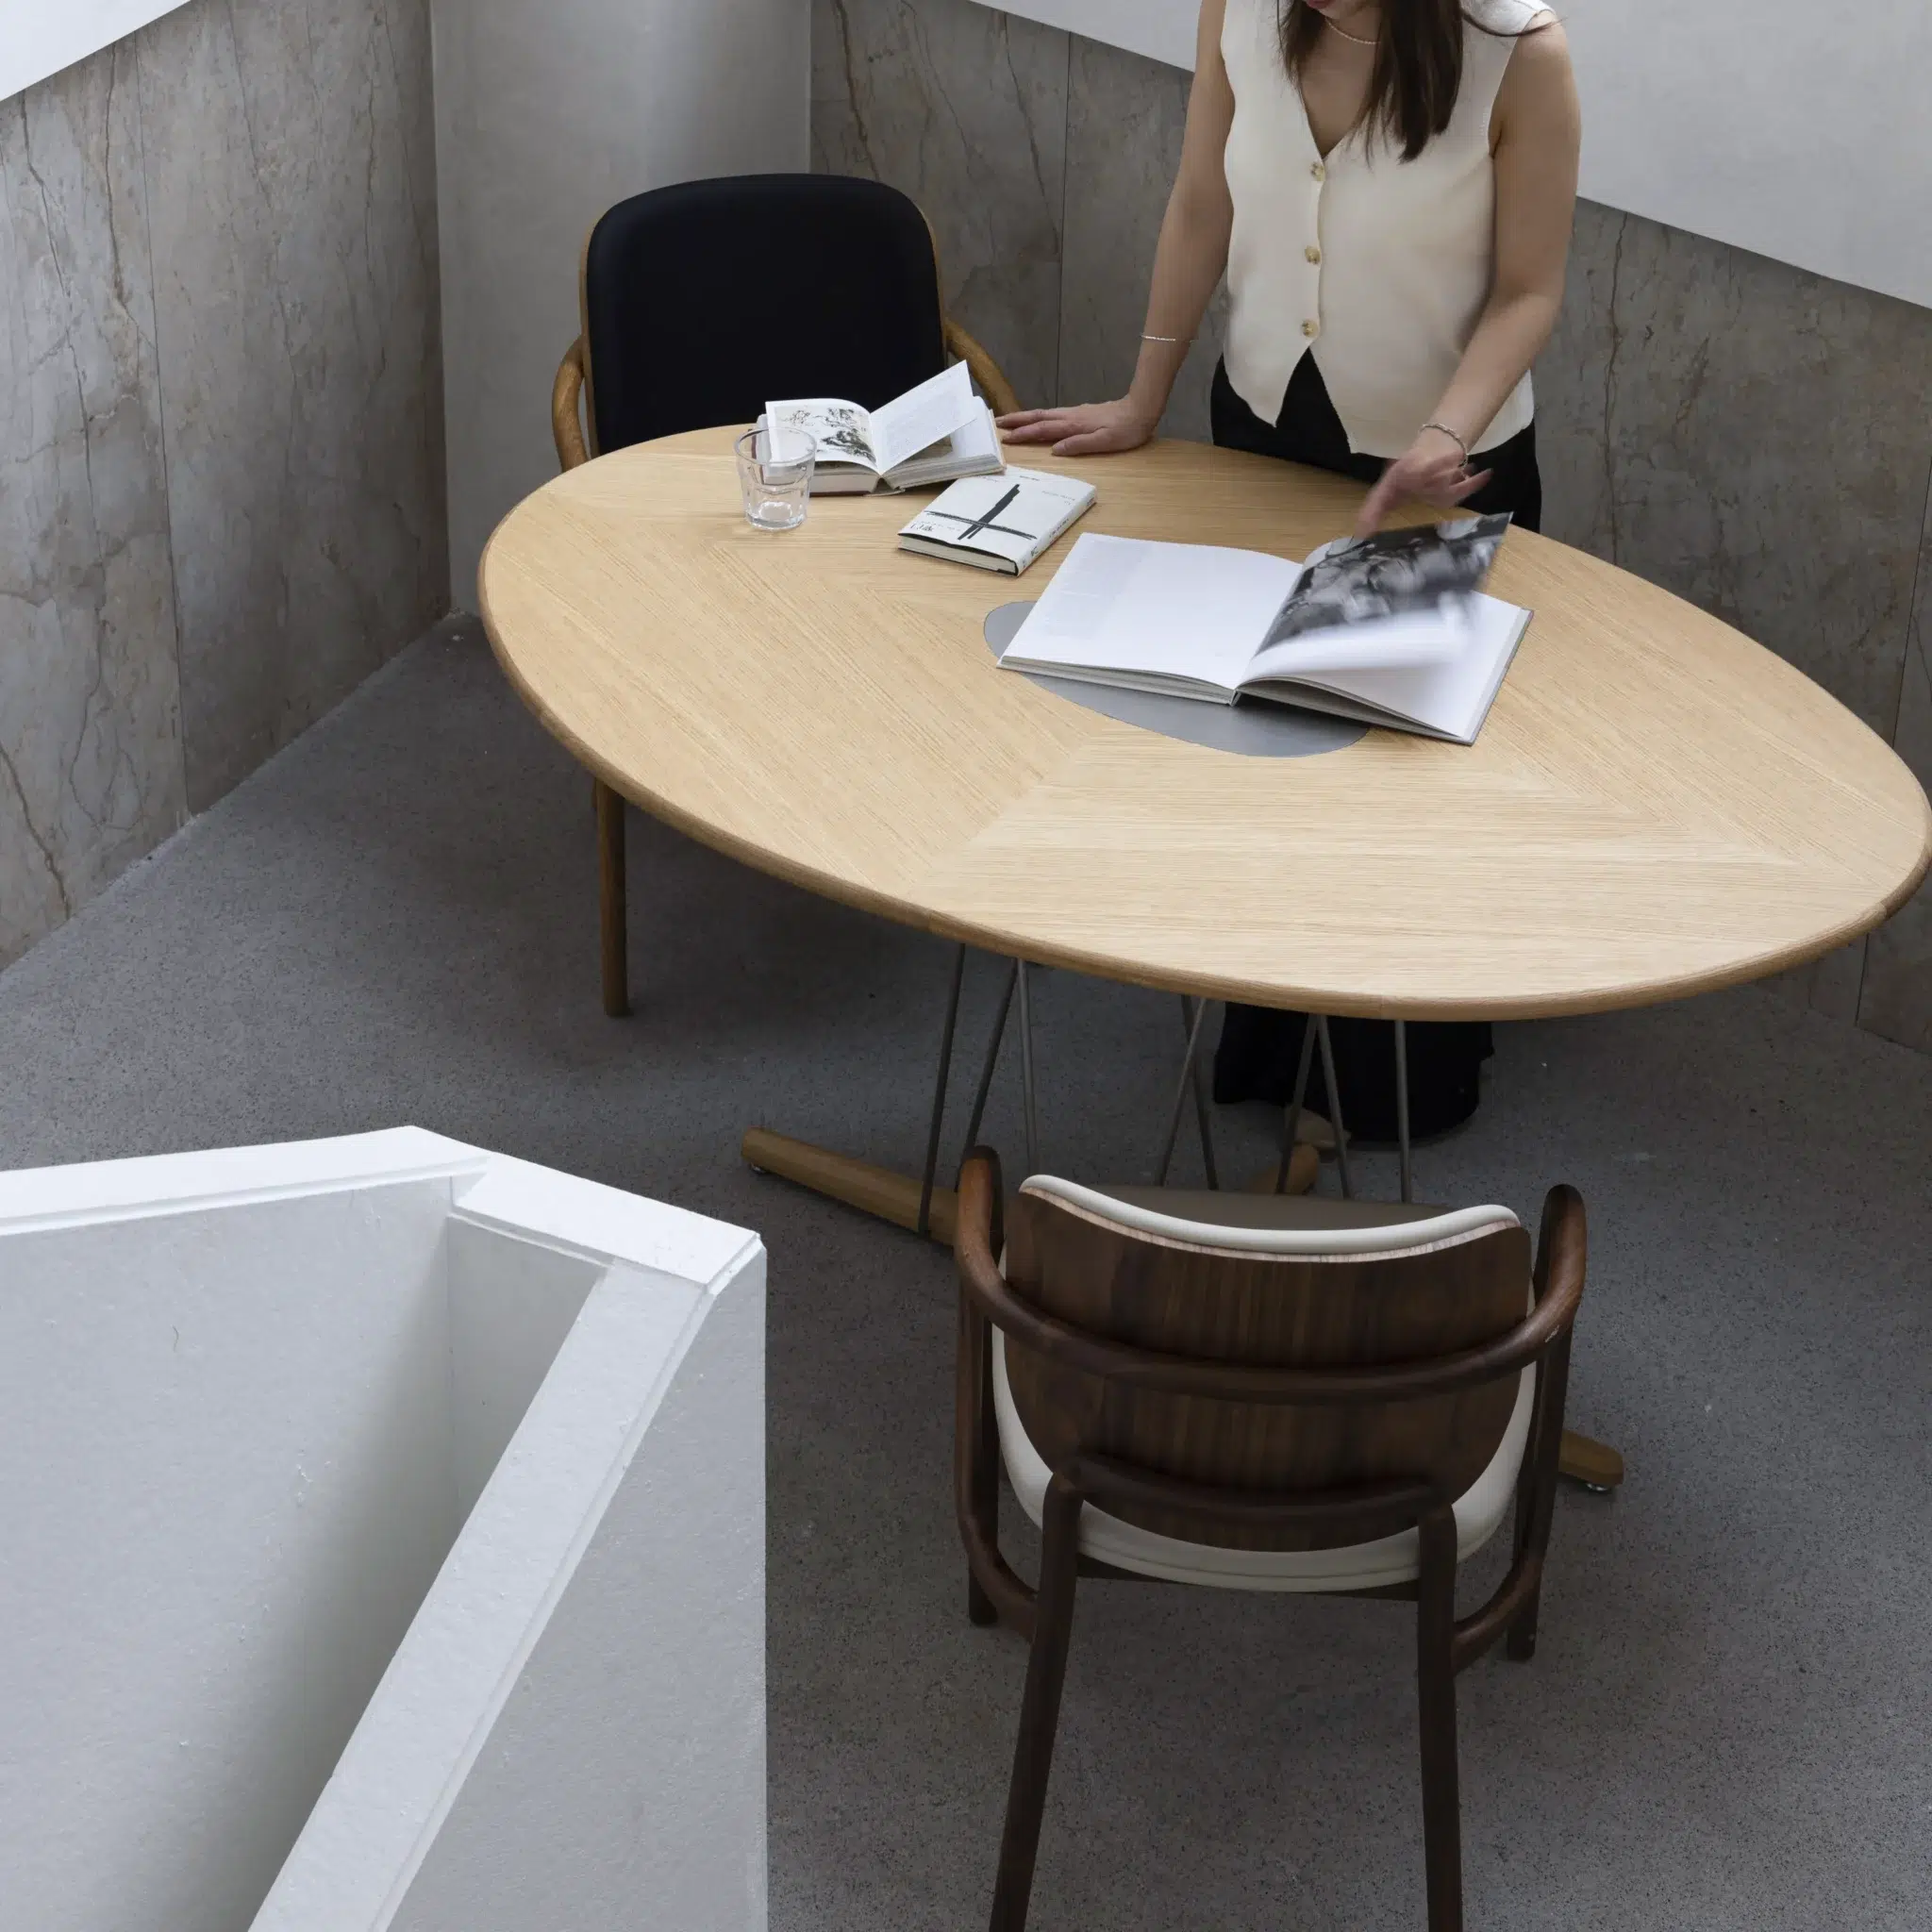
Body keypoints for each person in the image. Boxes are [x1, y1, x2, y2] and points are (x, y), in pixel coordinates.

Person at [998, 0, 1580, 1139]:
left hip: (1433, 466)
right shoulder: (1238, 7)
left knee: (1386, 779)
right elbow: (1199, 201)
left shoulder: (1518, 56)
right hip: (1263, 420)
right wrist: (1141, 399)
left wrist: (1448, 432)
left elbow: (1529, 290)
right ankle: (1266, 1036)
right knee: (1262, 739)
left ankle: (1392, 1087)